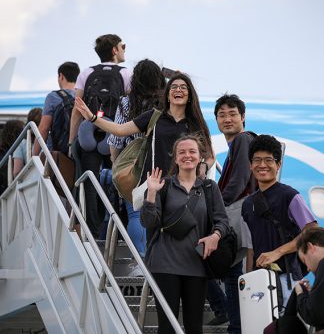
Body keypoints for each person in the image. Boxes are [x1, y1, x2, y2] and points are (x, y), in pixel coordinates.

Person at [140, 134, 230, 334]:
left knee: (194, 327)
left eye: (192, 151)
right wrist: (152, 193)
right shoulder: (164, 185)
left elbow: (223, 221)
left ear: (200, 157)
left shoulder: (209, 187)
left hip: (197, 266)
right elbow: (148, 222)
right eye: (182, 152)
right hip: (164, 264)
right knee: (167, 327)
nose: (187, 156)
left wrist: (215, 236)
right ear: (175, 157)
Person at [74, 72, 216, 185]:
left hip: (185, 188)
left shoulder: (195, 122)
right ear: (167, 95)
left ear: (190, 96)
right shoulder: (154, 116)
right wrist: (92, 117)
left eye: (183, 87)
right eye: (174, 87)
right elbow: (119, 130)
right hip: (153, 186)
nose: (178, 90)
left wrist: (203, 166)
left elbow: (210, 156)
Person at [68, 34, 132, 238]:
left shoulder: (86, 73)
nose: (124, 49)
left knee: (88, 182)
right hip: (115, 134)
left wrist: (71, 141)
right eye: (122, 46)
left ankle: (91, 231)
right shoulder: (127, 73)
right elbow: (130, 107)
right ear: (114, 50)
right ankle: (118, 230)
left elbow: (77, 109)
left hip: (88, 134)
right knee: (119, 181)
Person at [241, 134, 316, 308]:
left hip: (288, 278)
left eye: (268, 160)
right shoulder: (247, 204)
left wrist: (278, 252)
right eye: (257, 160)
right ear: (250, 165)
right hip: (260, 280)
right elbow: (250, 248)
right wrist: (248, 281)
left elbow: (312, 230)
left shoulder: (289, 195)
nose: (262, 165)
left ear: (278, 164)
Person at [104, 59, 166, 265]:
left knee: (135, 211)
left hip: (137, 168)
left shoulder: (125, 103)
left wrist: (117, 164)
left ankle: (139, 260)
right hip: (164, 165)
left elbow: (116, 139)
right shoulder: (166, 103)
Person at [206, 94, 257, 332]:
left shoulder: (242, 141)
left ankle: (227, 315)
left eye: (232, 114)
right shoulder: (237, 144)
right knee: (232, 271)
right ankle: (232, 320)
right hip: (242, 215)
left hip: (237, 214)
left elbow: (239, 181)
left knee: (201, 259)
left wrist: (217, 206)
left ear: (243, 117)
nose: (227, 119)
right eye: (221, 115)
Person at [33, 61, 80, 155]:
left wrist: (34, 155)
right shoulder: (83, 96)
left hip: (58, 152)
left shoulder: (53, 97)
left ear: (61, 76)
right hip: (80, 149)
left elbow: (44, 128)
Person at [13, 108, 42, 177]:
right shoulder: (50, 141)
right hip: (49, 182)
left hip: (30, 183)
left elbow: (16, 172)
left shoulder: (20, 144)